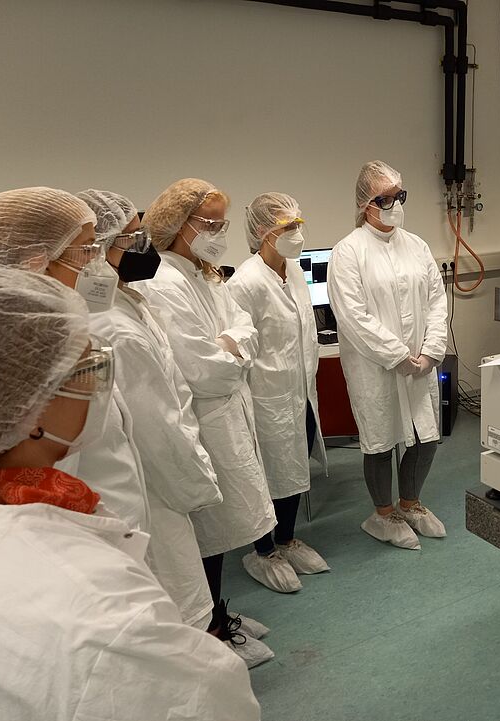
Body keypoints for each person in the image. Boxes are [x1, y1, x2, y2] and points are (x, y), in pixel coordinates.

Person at [0, 268, 260, 720]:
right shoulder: (95, 606)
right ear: (27, 409)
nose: (98, 384)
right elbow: (208, 702)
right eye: (86, 370)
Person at [75, 190, 270, 659]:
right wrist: (194, 476)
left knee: (196, 556)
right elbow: (192, 378)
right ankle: (209, 642)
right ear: (96, 248)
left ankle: (214, 624)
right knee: (180, 570)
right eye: (131, 236)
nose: (143, 245)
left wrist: (231, 345)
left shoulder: (131, 298)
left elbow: (241, 330)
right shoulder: (118, 321)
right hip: (160, 470)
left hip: (183, 443)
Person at [0, 188, 150, 534]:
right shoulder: (29, 355)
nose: (97, 261)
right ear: (36, 261)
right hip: (73, 529)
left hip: (106, 516)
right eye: (87, 249)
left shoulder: (61, 332)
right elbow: (46, 470)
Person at [135, 179, 277, 653]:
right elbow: (203, 370)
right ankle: (212, 629)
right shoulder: (163, 281)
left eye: (222, 223)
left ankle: (217, 610)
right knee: (207, 527)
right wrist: (234, 352)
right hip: (203, 418)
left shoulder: (206, 273)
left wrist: (231, 346)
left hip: (228, 410)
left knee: (221, 523)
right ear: (178, 224)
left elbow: (244, 326)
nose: (219, 232)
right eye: (210, 224)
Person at [328, 161, 448, 550]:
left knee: (425, 436)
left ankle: (409, 503)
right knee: (380, 441)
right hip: (375, 366)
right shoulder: (348, 252)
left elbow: (436, 301)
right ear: (366, 204)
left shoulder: (417, 246)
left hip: (421, 364)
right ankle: (382, 514)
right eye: (385, 199)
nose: (395, 204)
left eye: (400, 196)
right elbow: (352, 316)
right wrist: (396, 355)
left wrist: (431, 351)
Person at [229, 193, 330, 593]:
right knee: (267, 473)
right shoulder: (245, 283)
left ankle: (287, 539)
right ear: (262, 232)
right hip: (265, 396)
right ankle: (263, 550)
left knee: (294, 466)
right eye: (288, 227)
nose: (297, 233)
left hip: (300, 391)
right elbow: (241, 346)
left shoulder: (293, 271)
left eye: (298, 225)